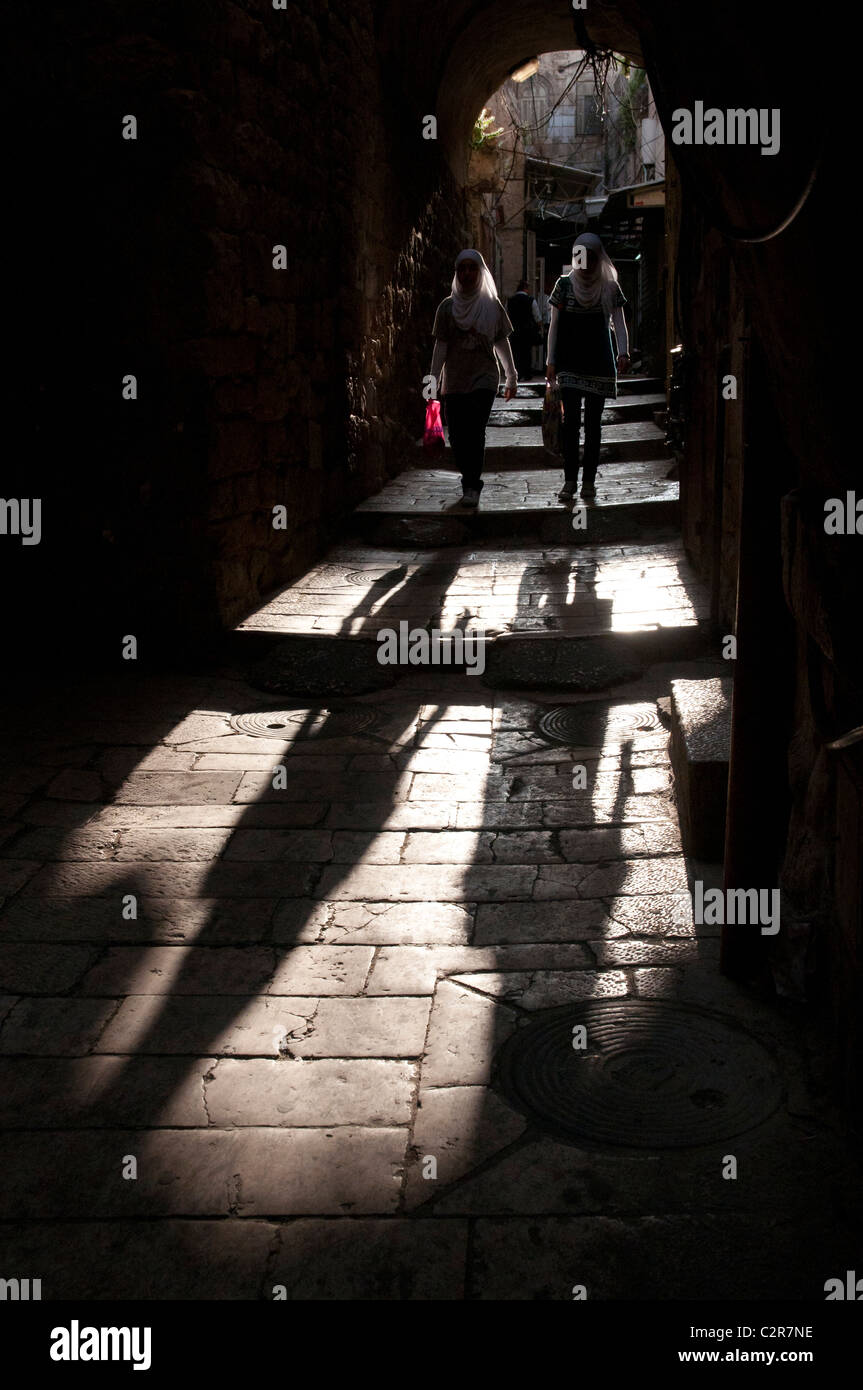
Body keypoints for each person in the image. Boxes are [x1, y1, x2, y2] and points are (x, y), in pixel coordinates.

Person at [546, 232, 630, 502]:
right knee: (570, 423)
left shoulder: (609, 288)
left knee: (594, 425)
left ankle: (589, 482)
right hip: (570, 362)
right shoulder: (563, 286)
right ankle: (570, 480)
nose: (585, 263)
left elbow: (619, 321)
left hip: (599, 362)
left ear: (597, 258)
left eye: (590, 257)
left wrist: (624, 352)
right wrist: (551, 360)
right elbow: (555, 325)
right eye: (580, 257)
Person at [430, 249, 517, 508]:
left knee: (475, 430)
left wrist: (511, 376)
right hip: (455, 382)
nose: (467, 274)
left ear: (480, 272)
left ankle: (471, 485)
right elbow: (440, 348)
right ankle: (468, 476)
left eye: (472, 268)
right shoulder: (447, 308)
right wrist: (431, 381)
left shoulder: (491, 306)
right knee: (457, 435)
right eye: (462, 269)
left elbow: (501, 342)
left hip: (485, 378)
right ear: (457, 273)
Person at [506, 279, 542, 381]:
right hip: (527, 332)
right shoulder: (531, 300)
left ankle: (517, 373)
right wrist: (539, 327)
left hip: (514, 331)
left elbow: (506, 316)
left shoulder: (510, 301)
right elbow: (537, 316)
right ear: (525, 288)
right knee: (526, 353)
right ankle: (526, 373)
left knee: (515, 353)